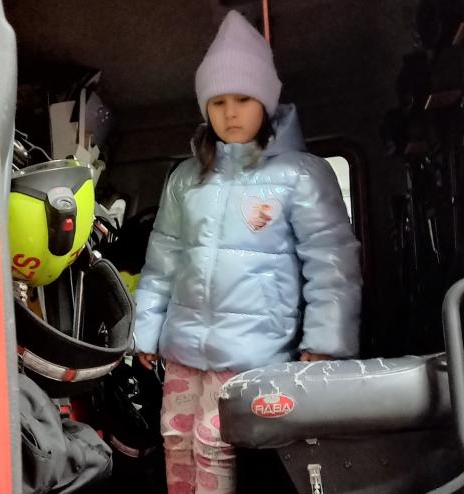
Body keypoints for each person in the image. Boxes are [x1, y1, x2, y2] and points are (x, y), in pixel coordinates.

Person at [133, 10, 362, 494]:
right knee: (174, 435)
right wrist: (145, 332)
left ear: (266, 102)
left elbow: (332, 264)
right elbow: (162, 260)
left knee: (212, 441)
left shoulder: (301, 174)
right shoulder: (186, 178)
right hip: (182, 345)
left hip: (252, 347)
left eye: (243, 99)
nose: (230, 113)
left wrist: (323, 341)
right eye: (218, 102)